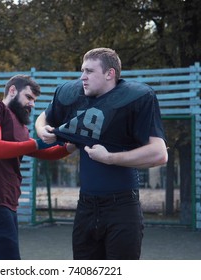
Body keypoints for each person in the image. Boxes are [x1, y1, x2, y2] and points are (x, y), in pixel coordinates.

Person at [35, 48, 168, 260]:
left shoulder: (137, 98)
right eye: (82, 70)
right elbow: (43, 117)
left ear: (110, 74)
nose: (82, 77)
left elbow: (159, 154)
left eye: (89, 71)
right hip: (86, 205)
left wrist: (110, 158)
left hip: (122, 206)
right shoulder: (74, 94)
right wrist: (41, 129)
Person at [0, 74, 75, 260]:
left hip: (7, 201)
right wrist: (39, 143)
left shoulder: (18, 124)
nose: (32, 104)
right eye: (29, 97)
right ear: (13, 90)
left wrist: (72, 145)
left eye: (34, 100)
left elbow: (44, 153)